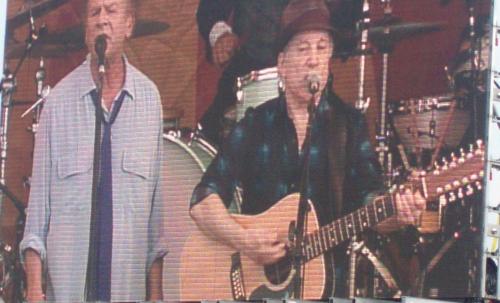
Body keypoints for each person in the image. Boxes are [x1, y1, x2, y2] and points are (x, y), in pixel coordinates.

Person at [190, 0, 425, 298]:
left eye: (322, 47)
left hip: (325, 291)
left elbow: (371, 201)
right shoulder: (255, 125)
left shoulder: (349, 127)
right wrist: (245, 241)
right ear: (282, 65)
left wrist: (398, 211)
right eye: (302, 49)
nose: (313, 59)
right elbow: (201, 202)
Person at [20, 0, 167, 302]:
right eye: (94, 12)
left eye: (111, 10)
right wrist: (34, 290)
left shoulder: (150, 101)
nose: (102, 20)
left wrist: (156, 295)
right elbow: (36, 216)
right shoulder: (58, 103)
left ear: (129, 24)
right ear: (86, 29)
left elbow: (155, 220)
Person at [196, 0, 362, 146]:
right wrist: (221, 36)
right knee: (207, 143)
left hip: (310, 75)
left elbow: (349, 25)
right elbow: (211, 10)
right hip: (249, 69)